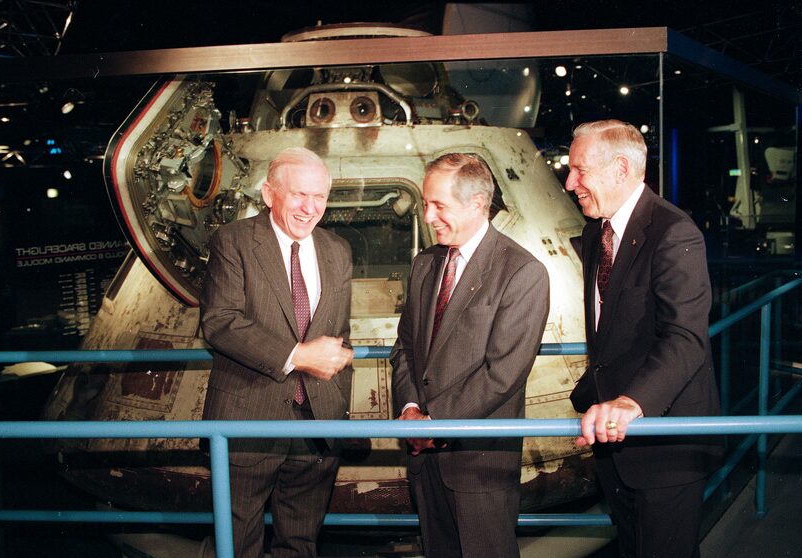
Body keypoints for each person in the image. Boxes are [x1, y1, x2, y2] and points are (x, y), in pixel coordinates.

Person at [565, 120, 721, 557]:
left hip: (665, 447)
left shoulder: (674, 232)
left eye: (579, 170)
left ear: (620, 169)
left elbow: (685, 337)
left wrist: (632, 402)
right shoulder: (597, 230)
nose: (569, 181)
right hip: (613, 445)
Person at [390, 153, 549, 558]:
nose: (428, 217)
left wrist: (434, 423)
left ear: (477, 203)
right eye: (426, 203)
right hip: (424, 459)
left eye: (438, 205)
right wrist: (410, 408)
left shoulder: (521, 272)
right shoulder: (426, 264)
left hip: (479, 464)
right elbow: (406, 347)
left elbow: (502, 374)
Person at [200, 147, 354, 558]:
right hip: (247, 423)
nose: (311, 208)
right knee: (236, 541)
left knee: (301, 542)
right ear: (269, 194)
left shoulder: (338, 251)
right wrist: (299, 356)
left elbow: (340, 333)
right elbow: (220, 322)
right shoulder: (233, 242)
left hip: (316, 426)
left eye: (320, 196)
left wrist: (337, 398)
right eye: (299, 195)